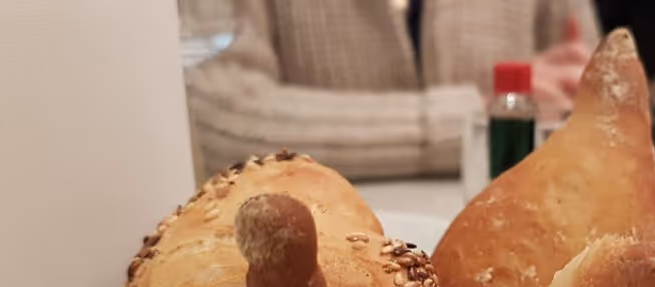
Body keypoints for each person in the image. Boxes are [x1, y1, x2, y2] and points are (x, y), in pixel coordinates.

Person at [181, 0, 599, 180]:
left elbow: (594, 86)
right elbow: (213, 117)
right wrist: (474, 116)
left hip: (515, 237)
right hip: (314, 245)